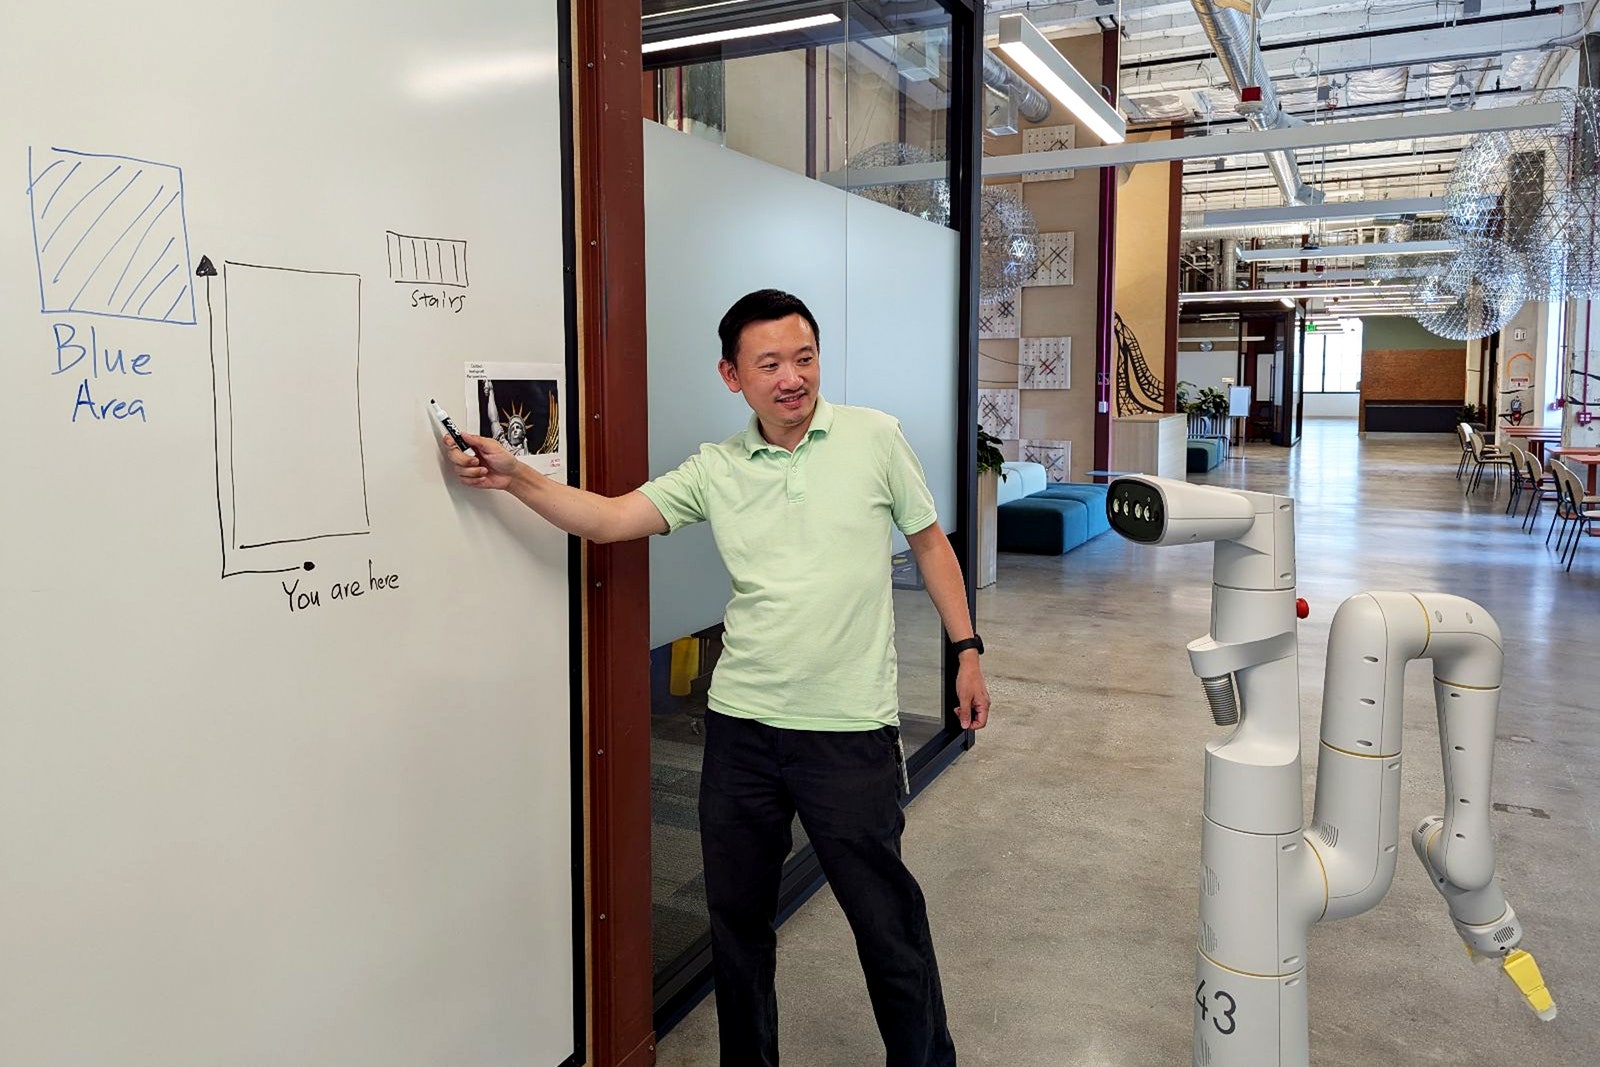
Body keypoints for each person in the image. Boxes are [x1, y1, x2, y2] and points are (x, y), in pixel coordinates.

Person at [441, 288, 990, 1067]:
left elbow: (929, 543)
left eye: (804, 358)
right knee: (737, 925)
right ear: (733, 377)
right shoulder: (716, 469)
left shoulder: (875, 438)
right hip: (742, 732)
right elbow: (606, 518)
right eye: (769, 363)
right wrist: (514, 474)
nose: (791, 377)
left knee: (886, 921)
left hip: (848, 732)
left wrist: (966, 647)